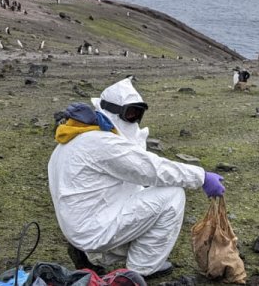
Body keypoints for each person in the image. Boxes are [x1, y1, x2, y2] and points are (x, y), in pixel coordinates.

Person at [48, 76, 227, 278]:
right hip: (92, 229)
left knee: (140, 192)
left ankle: (94, 257)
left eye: (137, 114)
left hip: (82, 224)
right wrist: (202, 177)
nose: (134, 119)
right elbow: (152, 169)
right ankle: (139, 270)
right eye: (130, 113)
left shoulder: (76, 139)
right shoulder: (102, 143)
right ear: (112, 111)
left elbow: (136, 172)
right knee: (172, 195)